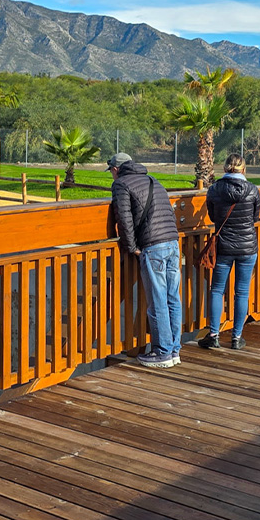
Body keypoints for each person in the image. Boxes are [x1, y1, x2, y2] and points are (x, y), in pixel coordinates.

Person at [108, 152, 183, 368]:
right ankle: (174, 349)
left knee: (157, 300)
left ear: (116, 169)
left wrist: (131, 247)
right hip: (172, 242)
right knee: (172, 298)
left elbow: (124, 219)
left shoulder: (121, 184)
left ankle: (162, 352)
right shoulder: (153, 180)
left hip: (153, 246)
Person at [199, 154, 260, 350]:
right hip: (247, 247)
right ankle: (236, 338)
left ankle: (214, 335)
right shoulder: (252, 190)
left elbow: (212, 215)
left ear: (225, 168)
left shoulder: (214, 190)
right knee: (241, 292)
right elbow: (255, 217)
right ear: (243, 169)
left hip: (224, 246)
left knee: (217, 290)